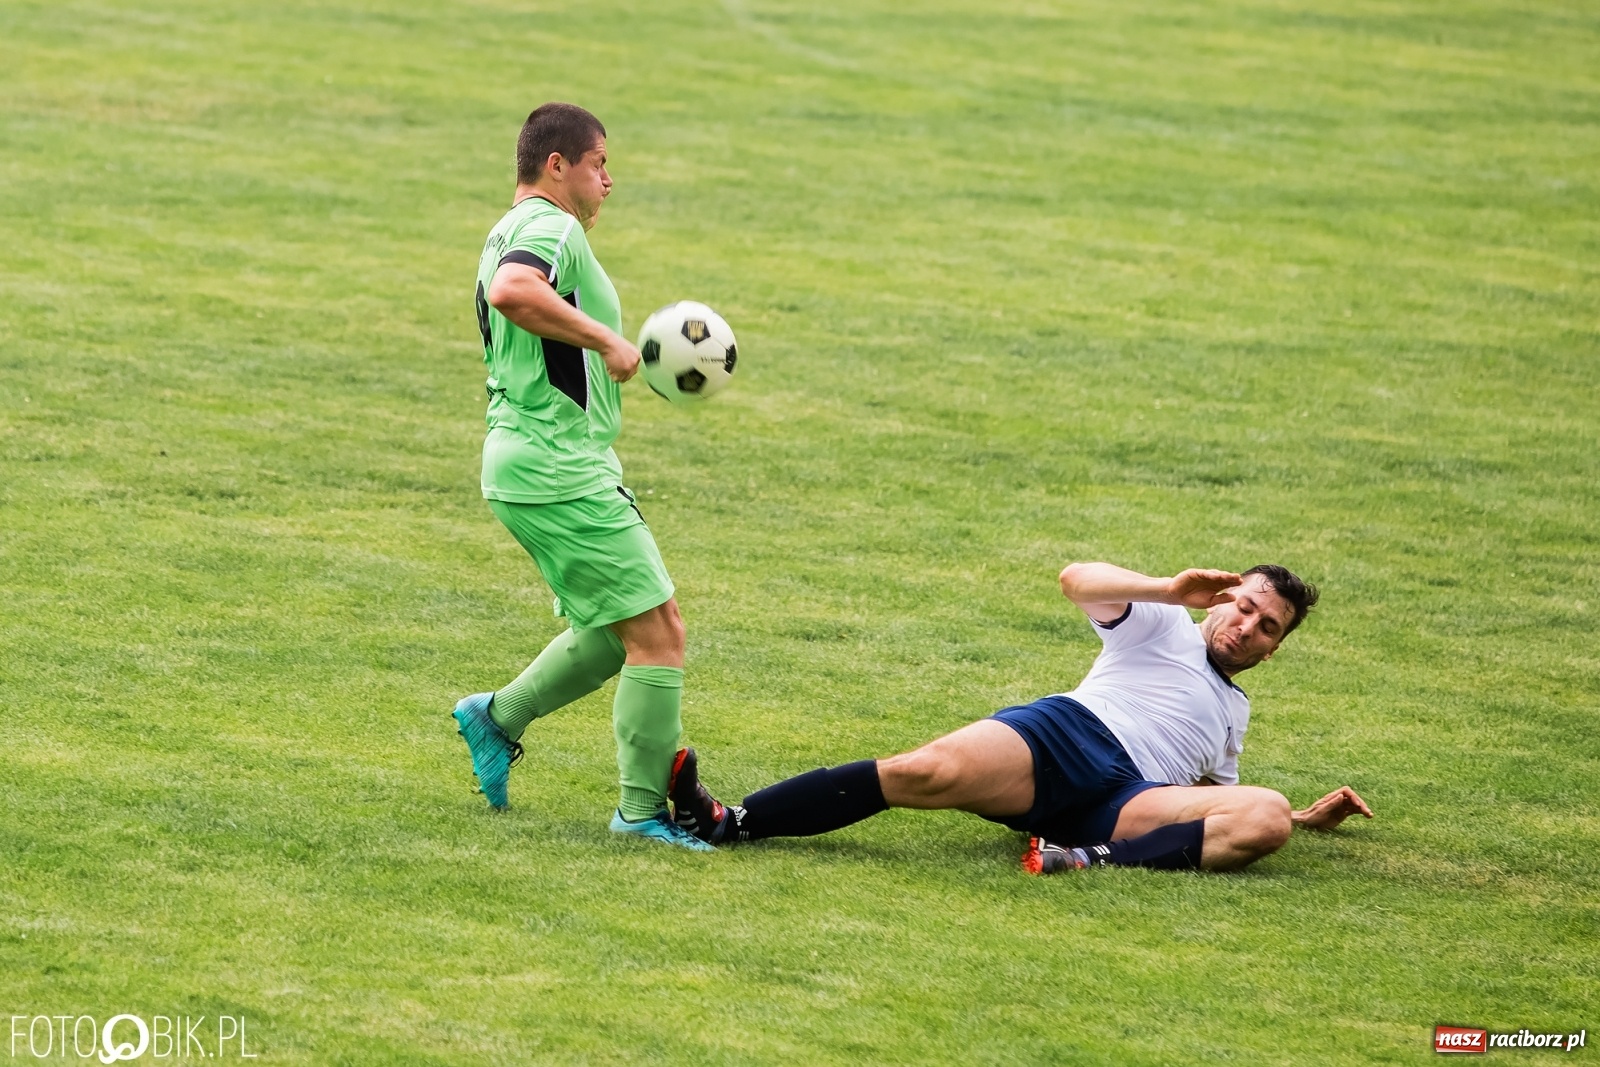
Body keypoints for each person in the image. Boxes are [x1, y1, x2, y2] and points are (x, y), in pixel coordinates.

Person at [670, 562, 1372, 871]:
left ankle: (1080, 859)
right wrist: (1166, 586)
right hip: (1069, 737)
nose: (1249, 626)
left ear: (1275, 649)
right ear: (1220, 601)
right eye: (1244, 606)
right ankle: (732, 821)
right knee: (921, 770)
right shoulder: (1164, 624)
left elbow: (1217, 805)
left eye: (1269, 626)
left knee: (1269, 813)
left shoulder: (1233, 713)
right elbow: (1074, 581)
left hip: (1128, 803)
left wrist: (1303, 820)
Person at [451, 102, 710, 852]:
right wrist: (608, 340)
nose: (609, 180)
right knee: (660, 633)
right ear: (556, 166)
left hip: (532, 459)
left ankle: (496, 719)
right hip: (555, 465)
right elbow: (513, 291)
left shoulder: (512, 226)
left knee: (607, 634)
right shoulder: (549, 226)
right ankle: (639, 813)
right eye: (599, 163)